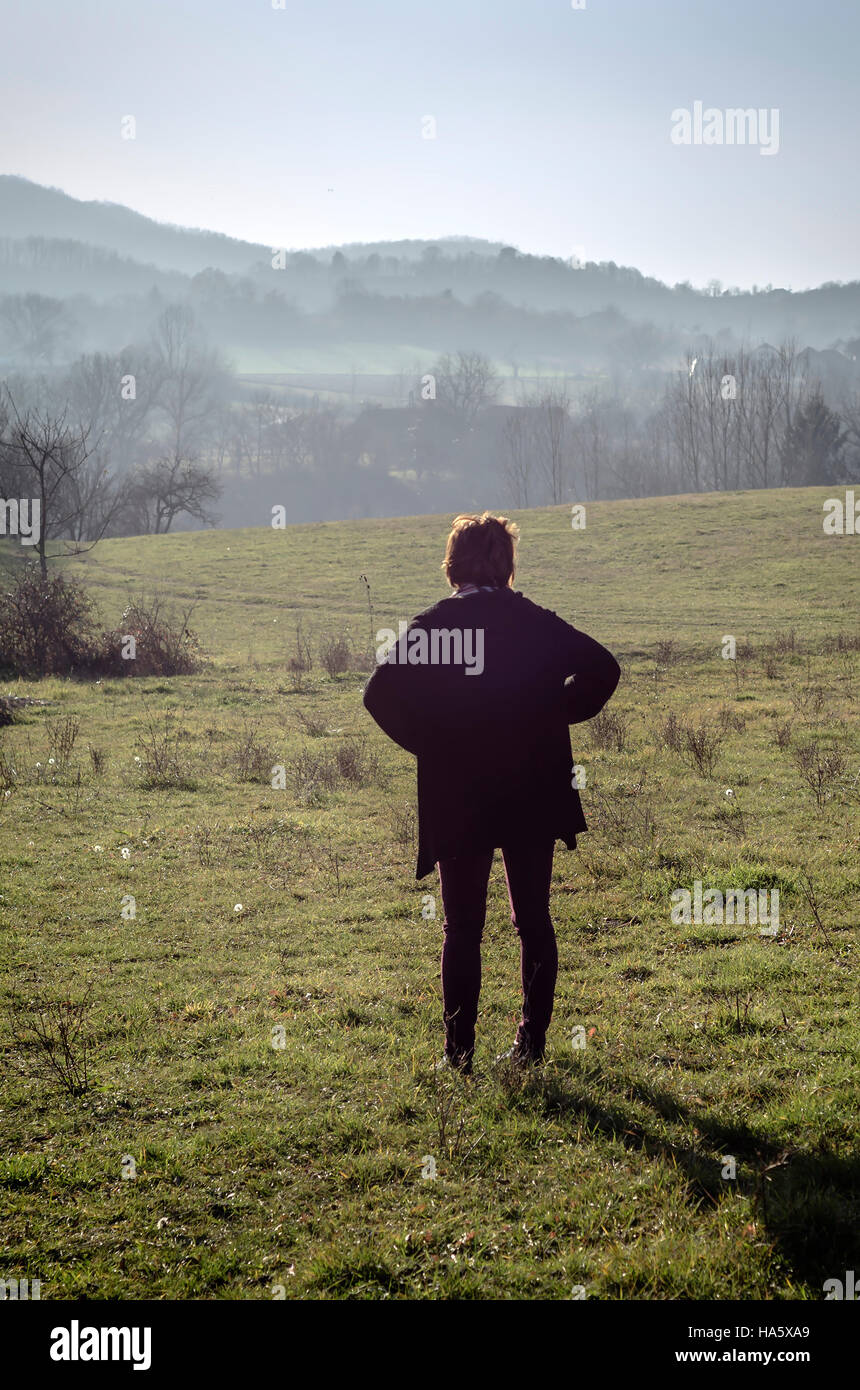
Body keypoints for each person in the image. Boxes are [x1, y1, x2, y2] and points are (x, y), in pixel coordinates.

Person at [362, 511, 620, 1075]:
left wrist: (429, 743)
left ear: (453, 565)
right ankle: (530, 1047)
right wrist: (559, 713)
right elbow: (604, 667)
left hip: (460, 793)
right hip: (533, 786)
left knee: (462, 929)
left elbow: (378, 694)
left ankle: (458, 1058)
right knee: (534, 920)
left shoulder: (435, 627)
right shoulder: (534, 621)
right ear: (506, 565)